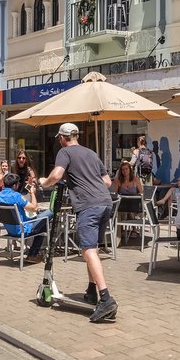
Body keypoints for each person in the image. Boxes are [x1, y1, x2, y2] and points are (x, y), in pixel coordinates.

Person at [39, 123, 118, 323]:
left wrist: (43, 182)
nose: (59, 141)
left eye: (59, 138)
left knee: (88, 250)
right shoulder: (91, 153)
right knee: (93, 248)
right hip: (105, 203)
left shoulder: (65, 152)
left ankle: (106, 298)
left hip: (88, 205)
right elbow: (107, 181)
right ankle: (92, 291)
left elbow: (56, 176)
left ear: (63, 138)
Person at [0, 172, 52, 262]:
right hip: (23, 229)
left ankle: (33, 254)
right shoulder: (16, 196)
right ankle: (33, 254)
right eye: (18, 183)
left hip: (9, 230)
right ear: (15, 185)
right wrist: (32, 193)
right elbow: (34, 208)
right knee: (51, 212)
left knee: (42, 223)